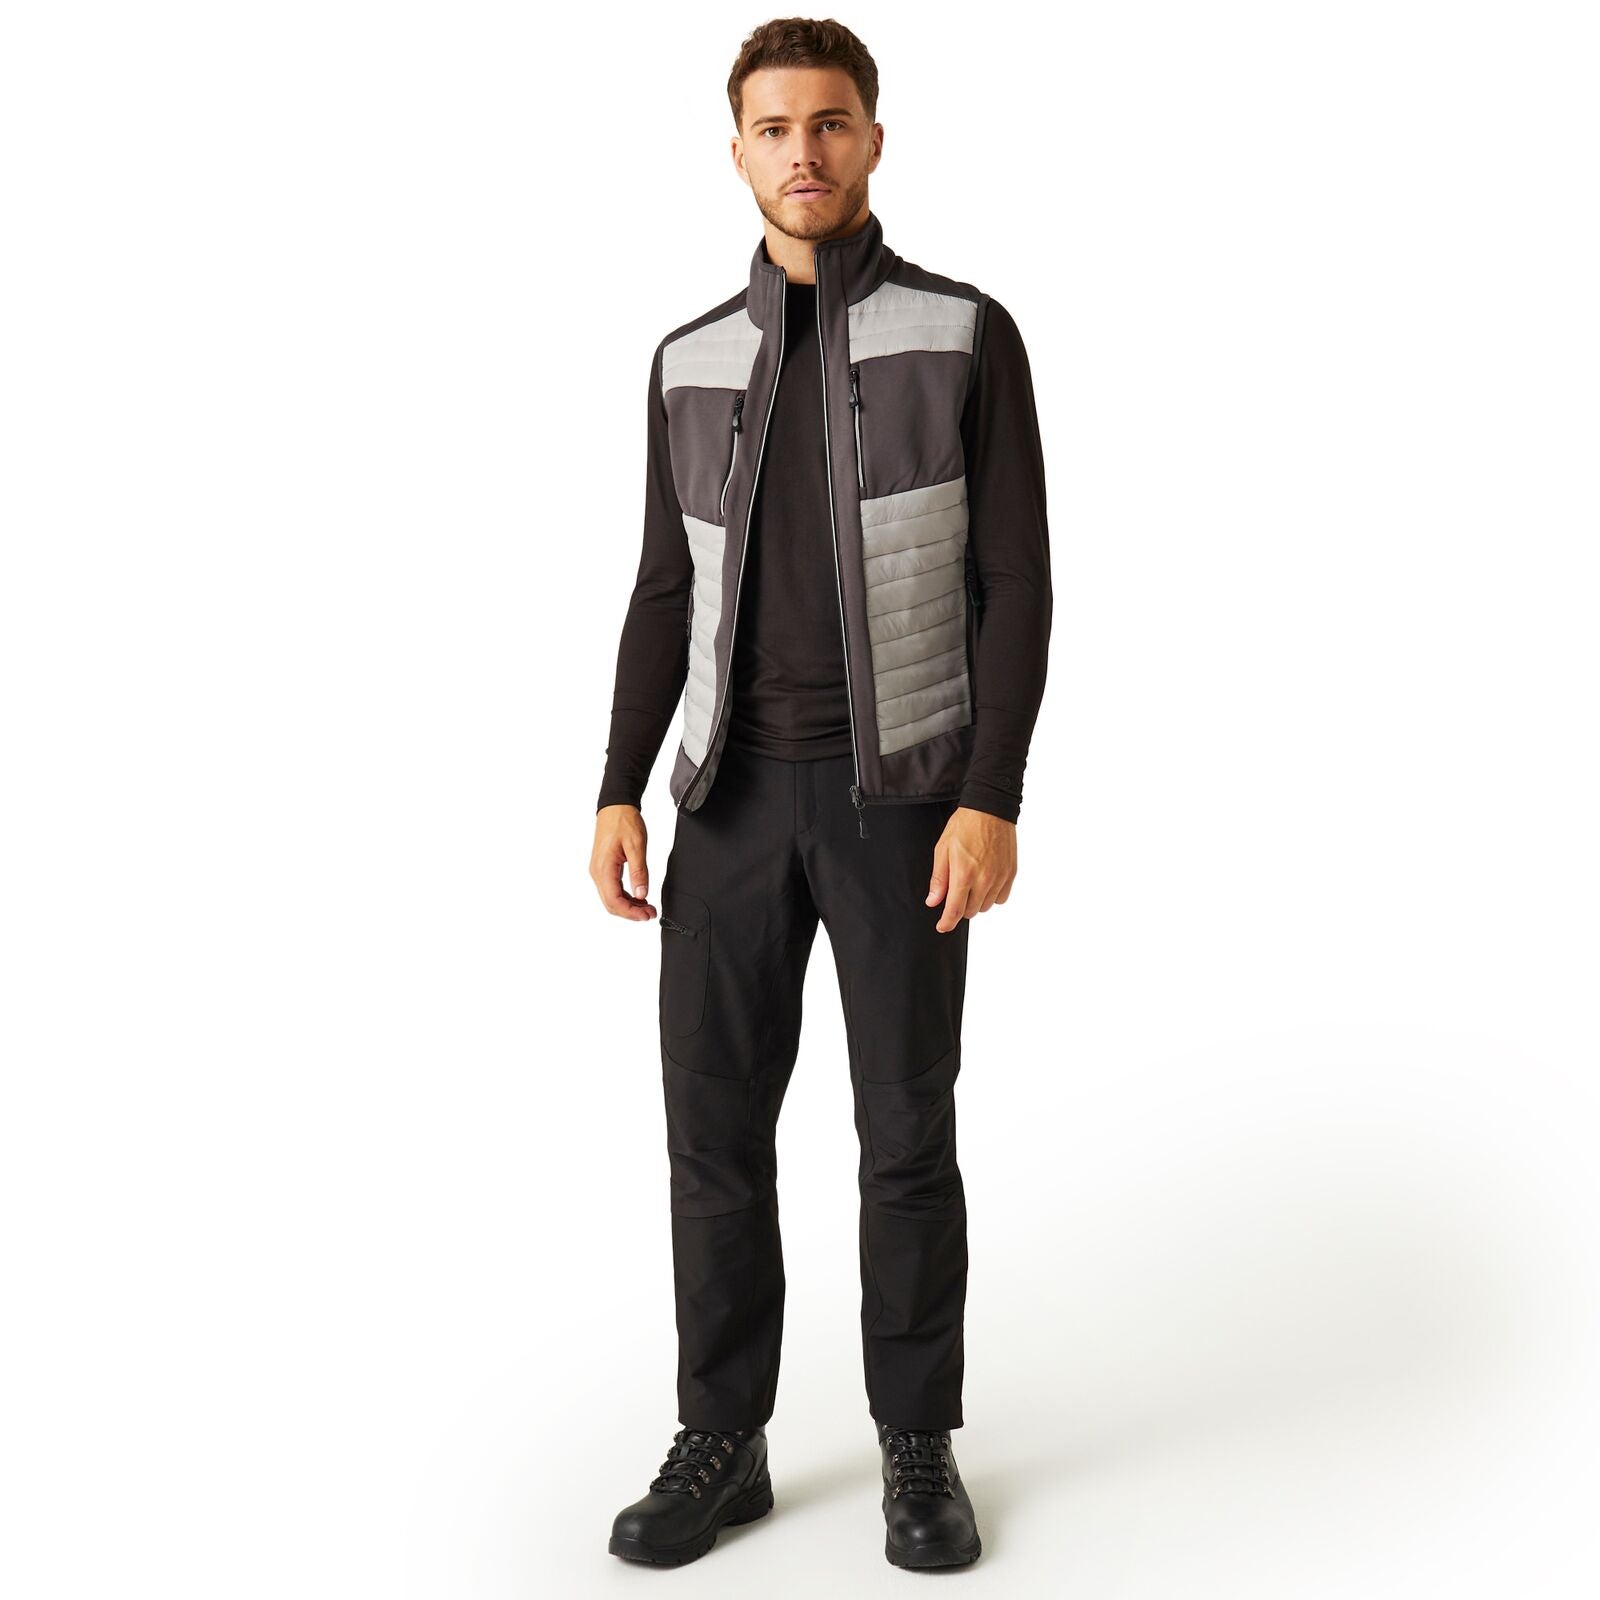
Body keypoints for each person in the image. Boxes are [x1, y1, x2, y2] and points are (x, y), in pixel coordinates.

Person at [589, 17, 1051, 1570]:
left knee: (905, 1132)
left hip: (901, 799)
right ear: (737, 150)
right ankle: (723, 1441)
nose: (805, 150)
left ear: (873, 141)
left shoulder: (964, 333)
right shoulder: (687, 359)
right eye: (776, 127)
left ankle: (918, 1443)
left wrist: (990, 795)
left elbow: (1015, 579)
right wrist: (617, 785)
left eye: (831, 122)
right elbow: (664, 587)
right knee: (711, 1137)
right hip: (723, 802)